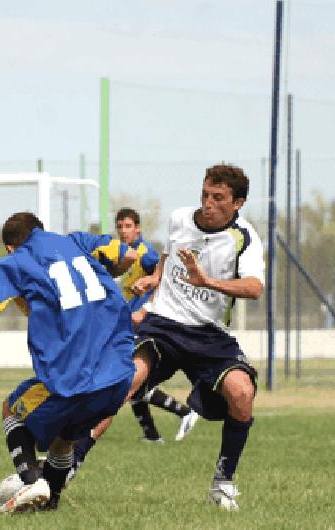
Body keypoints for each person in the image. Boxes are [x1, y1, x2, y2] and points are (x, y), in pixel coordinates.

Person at [0, 212, 139, 513]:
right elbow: (128, 255)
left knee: (12, 408)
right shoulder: (77, 242)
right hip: (119, 373)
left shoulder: (18, 259)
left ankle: (31, 480)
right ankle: (50, 506)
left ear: (11, 246)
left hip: (74, 377)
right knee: (64, 440)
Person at [128, 163, 265, 511]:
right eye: (205, 194)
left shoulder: (245, 239)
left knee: (242, 393)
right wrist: (156, 278)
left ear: (238, 203)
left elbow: (254, 287)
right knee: (124, 382)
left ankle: (222, 483)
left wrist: (208, 282)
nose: (208, 203)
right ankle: (62, 470)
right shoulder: (179, 219)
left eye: (218, 198)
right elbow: (168, 253)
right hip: (164, 323)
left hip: (210, 335)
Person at [71, 208, 198, 474]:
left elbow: (165, 281)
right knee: (132, 382)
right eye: (120, 226)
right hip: (129, 325)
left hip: (145, 326)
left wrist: (150, 306)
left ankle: (183, 412)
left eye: (128, 226)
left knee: (126, 380)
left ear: (138, 229)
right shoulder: (125, 256)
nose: (123, 230)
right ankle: (153, 432)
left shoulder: (148, 255)